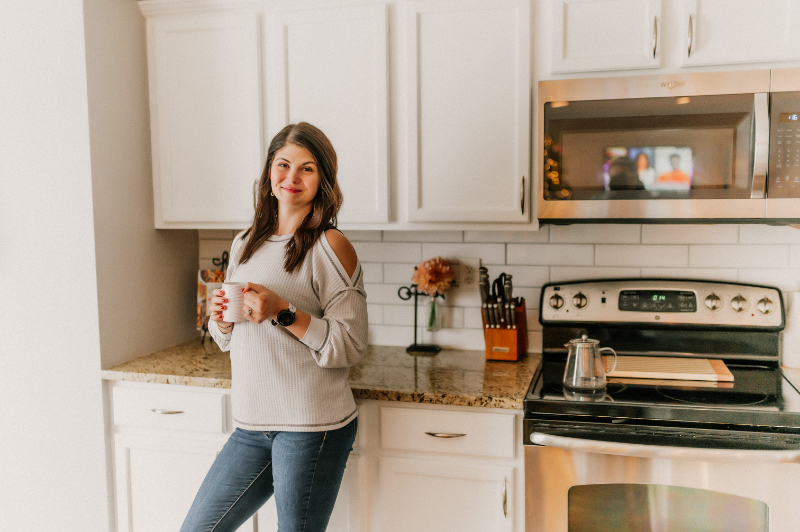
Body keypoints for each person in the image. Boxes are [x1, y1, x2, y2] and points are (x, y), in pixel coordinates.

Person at [181, 122, 368, 532]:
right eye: (283, 165)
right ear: (269, 174)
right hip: (252, 423)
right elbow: (229, 340)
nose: (292, 177)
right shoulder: (244, 242)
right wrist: (221, 318)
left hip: (311, 426)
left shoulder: (330, 246)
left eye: (307, 168)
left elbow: (351, 345)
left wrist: (284, 312)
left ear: (323, 181)